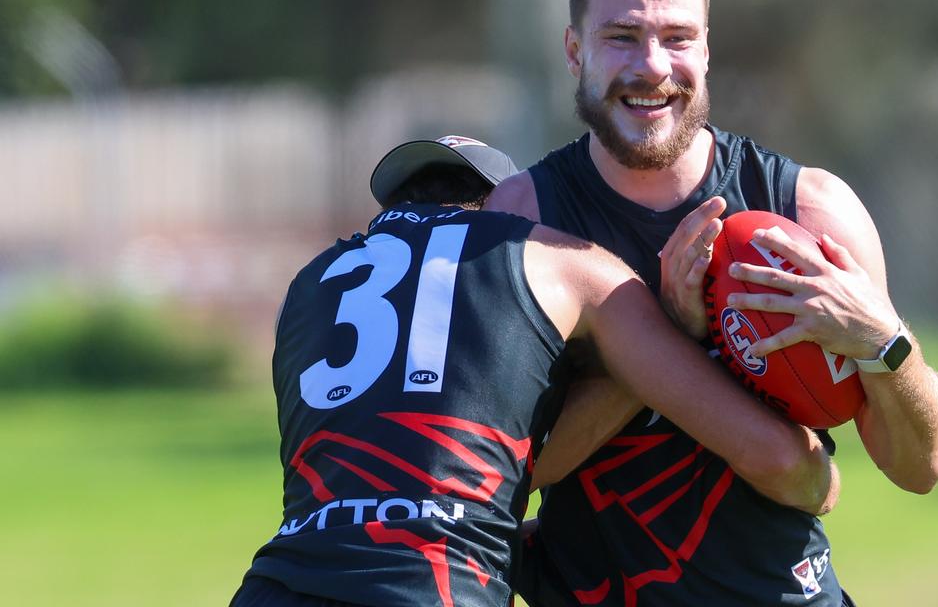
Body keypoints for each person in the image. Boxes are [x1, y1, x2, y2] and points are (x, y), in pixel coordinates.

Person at [485, 0, 938, 606]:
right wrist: (660, 337)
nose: (652, 66)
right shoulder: (522, 220)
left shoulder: (808, 211)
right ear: (574, 49)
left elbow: (920, 468)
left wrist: (884, 343)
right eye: (622, 37)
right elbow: (506, 473)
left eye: (677, 38)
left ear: (706, 50)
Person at [230, 135, 836, 607]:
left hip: (277, 584)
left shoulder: (305, 289)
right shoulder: (556, 261)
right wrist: (820, 478)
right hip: (438, 587)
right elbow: (781, 461)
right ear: (503, 204)